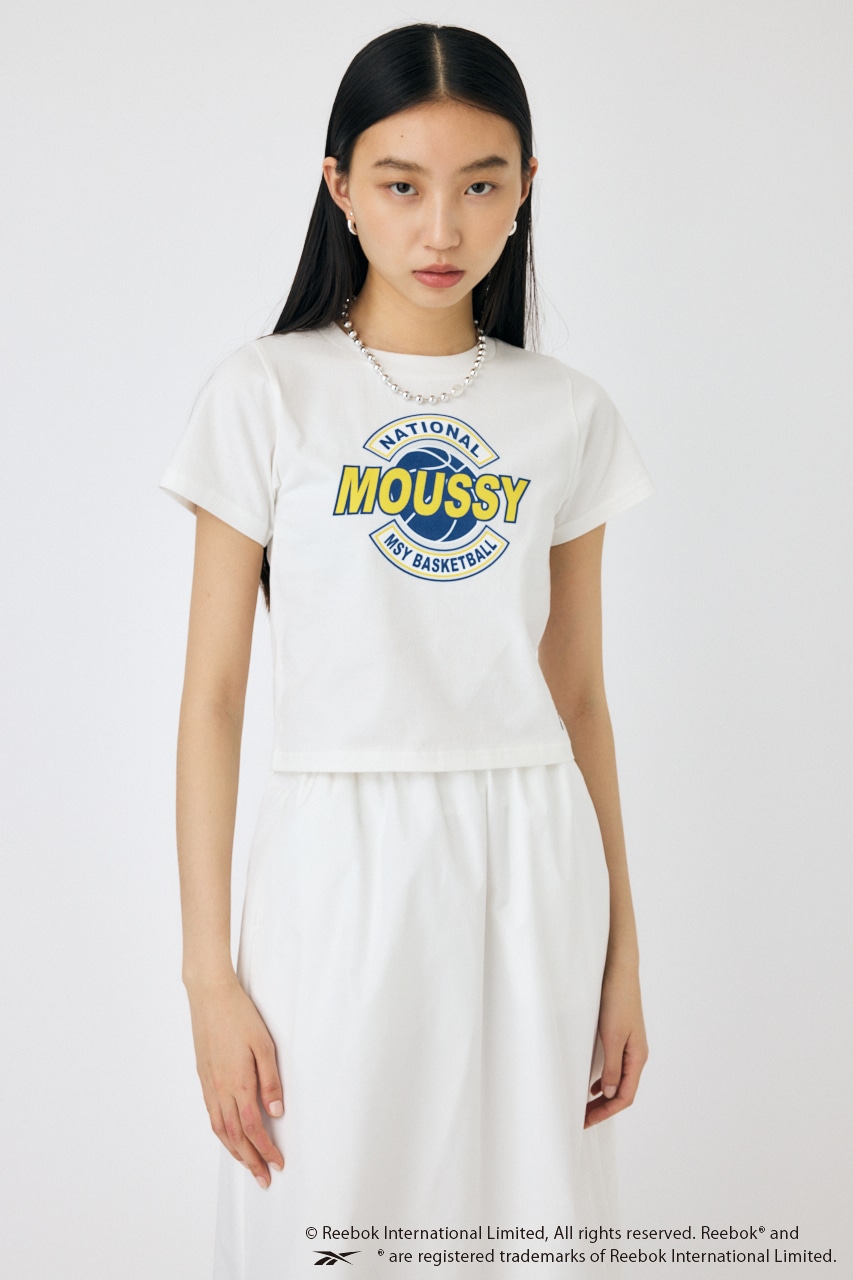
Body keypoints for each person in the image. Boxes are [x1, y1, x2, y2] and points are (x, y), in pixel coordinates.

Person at [161, 22, 653, 1280]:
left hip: (533, 857)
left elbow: (578, 695)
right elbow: (213, 699)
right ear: (339, 185)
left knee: (531, 1226)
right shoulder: (267, 393)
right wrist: (209, 979)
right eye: (400, 184)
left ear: (525, 187)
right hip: (335, 864)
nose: (442, 228)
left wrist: (623, 960)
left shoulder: (566, 414)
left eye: (480, 184)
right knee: (323, 1219)